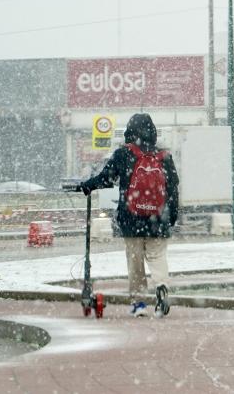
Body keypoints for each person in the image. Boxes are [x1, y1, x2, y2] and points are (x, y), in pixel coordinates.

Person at [80, 113, 179, 317]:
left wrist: (88, 185)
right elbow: (173, 188)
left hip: (131, 218)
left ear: (129, 131)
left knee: (135, 262)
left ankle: (139, 304)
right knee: (157, 256)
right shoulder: (164, 156)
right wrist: (172, 216)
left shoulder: (124, 154)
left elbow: (106, 178)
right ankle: (161, 286)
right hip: (158, 218)